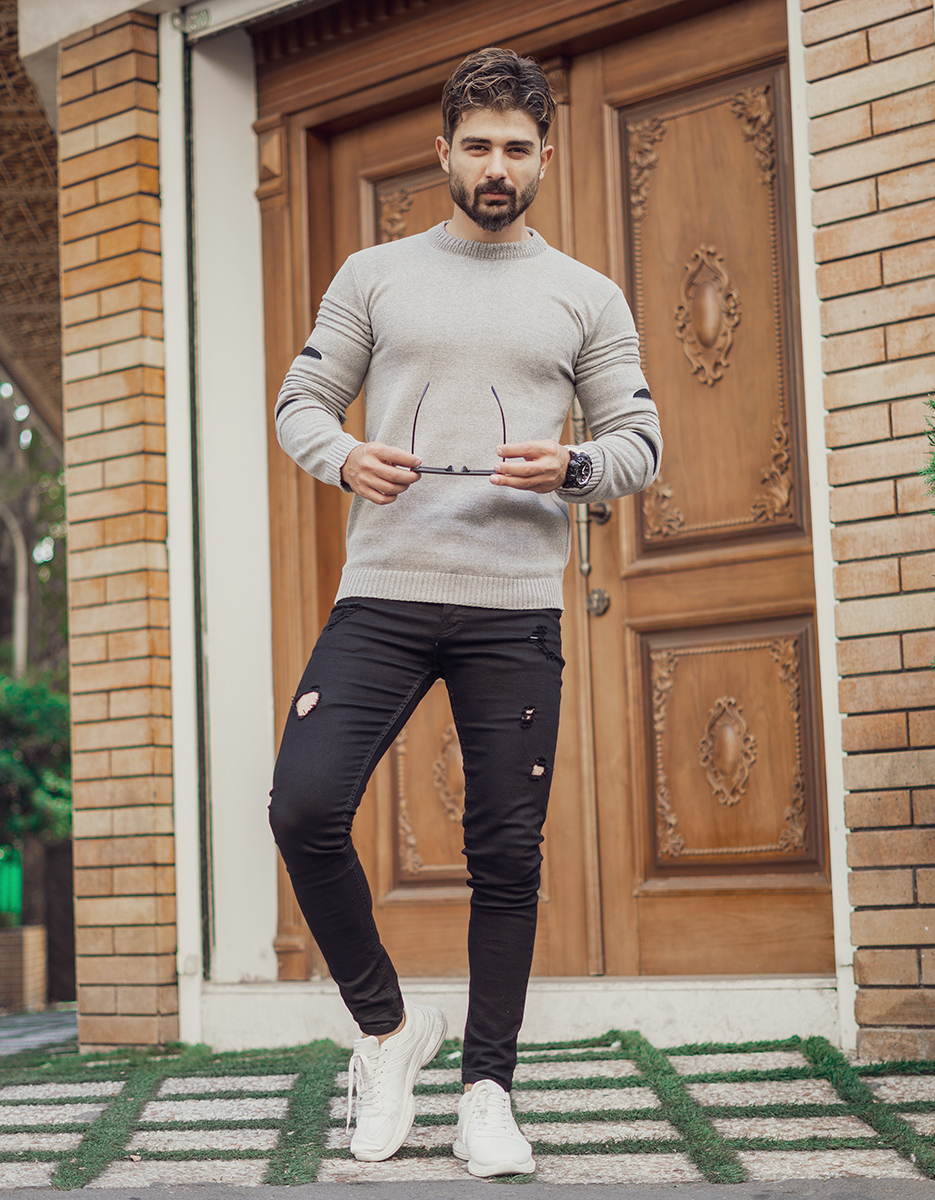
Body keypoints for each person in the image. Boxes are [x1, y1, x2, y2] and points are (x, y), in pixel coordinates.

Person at [267, 46, 661, 1178]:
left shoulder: (586, 295)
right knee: (303, 807)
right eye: (478, 146)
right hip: (384, 595)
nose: (497, 167)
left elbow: (639, 441)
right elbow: (300, 402)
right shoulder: (374, 275)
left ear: (545, 159)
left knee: (505, 854)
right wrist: (345, 457)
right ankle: (388, 1030)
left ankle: (488, 1089)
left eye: (517, 150)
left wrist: (574, 467)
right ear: (442, 151)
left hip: (513, 608)